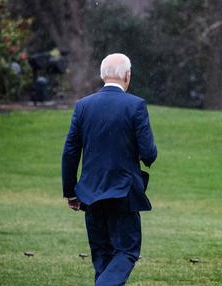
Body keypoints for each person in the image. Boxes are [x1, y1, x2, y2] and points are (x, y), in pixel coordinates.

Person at [62, 53, 157, 285]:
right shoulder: (135, 105)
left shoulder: (83, 106)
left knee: (102, 257)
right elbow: (149, 154)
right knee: (126, 252)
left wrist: (71, 192)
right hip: (123, 194)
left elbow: (70, 152)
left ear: (103, 75)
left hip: (90, 194)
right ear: (127, 75)